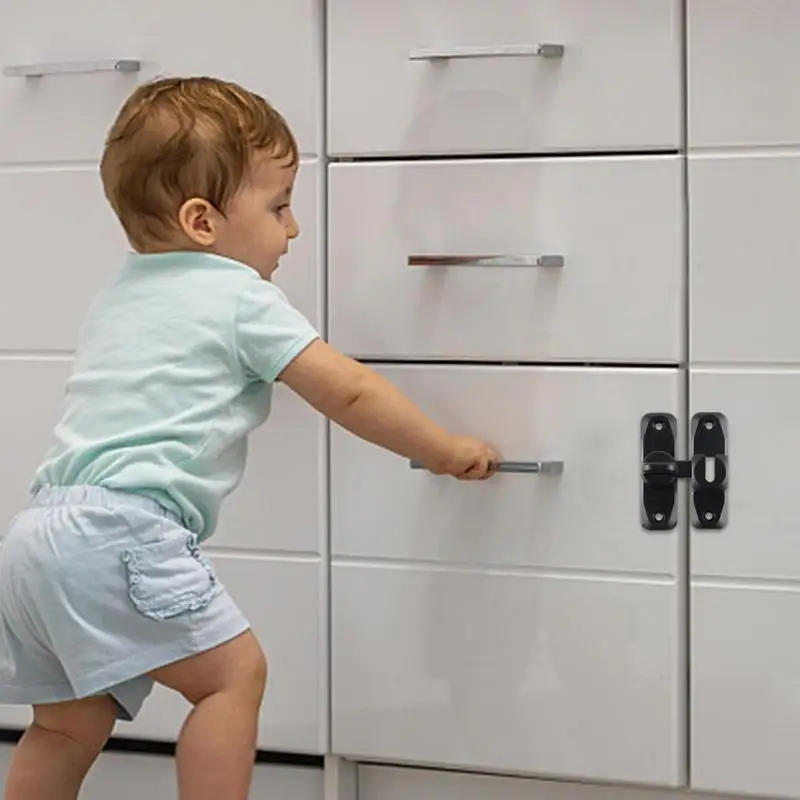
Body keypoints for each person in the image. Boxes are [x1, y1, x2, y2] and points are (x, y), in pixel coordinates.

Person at [0, 76, 498, 800]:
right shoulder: (238, 296)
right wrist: (442, 449)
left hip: (36, 537)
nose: (292, 230)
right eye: (279, 206)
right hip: (122, 532)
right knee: (233, 678)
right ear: (203, 222)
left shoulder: (120, 293)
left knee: (67, 726)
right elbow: (348, 390)